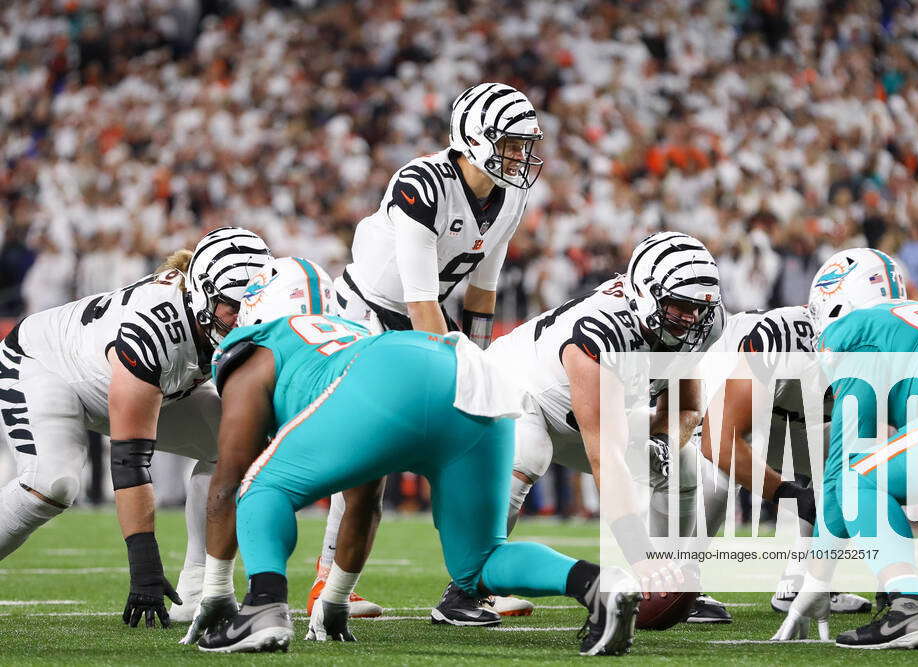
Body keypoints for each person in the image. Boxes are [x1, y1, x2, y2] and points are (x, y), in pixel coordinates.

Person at [180, 257, 641, 656]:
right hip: (468, 373)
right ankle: (597, 584)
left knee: (261, 486)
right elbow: (364, 497)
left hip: (391, 375)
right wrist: (335, 602)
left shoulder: (262, 344)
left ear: (258, 307)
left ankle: (262, 606)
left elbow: (229, 480)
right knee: (478, 565)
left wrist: (218, 590)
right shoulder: (347, 335)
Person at [314, 81, 544, 620]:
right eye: (510, 144)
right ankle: (328, 583)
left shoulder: (508, 196)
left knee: (482, 437)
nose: (521, 156)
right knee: (368, 456)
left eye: (523, 145)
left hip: (421, 314)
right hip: (365, 316)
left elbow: (483, 290)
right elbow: (420, 301)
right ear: (475, 138)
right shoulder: (422, 184)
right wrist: (460, 374)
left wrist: (483, 361)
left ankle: (471, 584)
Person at [429, 232, 729, 625]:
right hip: (520, 389)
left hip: (591, 411)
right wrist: (639, 557)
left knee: (685, 463)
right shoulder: (599, 329)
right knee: (529, 452)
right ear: (644, 293)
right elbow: (606, 456)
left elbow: (687, 407)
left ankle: (675, 580)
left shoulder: (707, 324)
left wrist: (665, 442)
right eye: (679, 305)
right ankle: (464, 589)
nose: (690, 319)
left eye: (697, 308)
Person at [0, 226, 270, 627]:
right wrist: (144, 562)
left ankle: (197, 588)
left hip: (150, 383)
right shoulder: (154, 330)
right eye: (233, 305)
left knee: (239, 446)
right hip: (48, 365)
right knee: (52, 484)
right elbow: (129, 461)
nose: (245, 316)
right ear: (204, 294)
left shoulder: (238, 313)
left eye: (254, 303)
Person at [773, 248, 918, 649]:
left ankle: (908, 604)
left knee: (857, 477)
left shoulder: (858, 328)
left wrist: (817, 577)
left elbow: (843, 461)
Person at [696, 304, 870, 615]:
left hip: (790, 417)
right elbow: (718, 442)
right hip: (723, 412)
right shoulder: (783, 338)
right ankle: (678, 585)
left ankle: (804, 581)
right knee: (715, 478)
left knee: (859, 462)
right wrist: (790, 495)